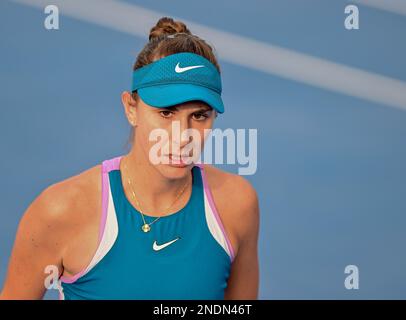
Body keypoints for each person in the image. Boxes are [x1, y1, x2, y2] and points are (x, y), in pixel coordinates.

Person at [0, 17, 259, 300]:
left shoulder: (237, 205)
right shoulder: (59, 212)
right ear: (131, 108)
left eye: (199, 115)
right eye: (166, 113)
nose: (183, 135)